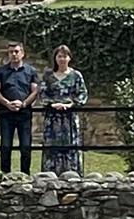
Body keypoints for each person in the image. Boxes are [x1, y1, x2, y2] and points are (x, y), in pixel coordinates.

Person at [0, 41, 41, 174]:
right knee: (5, 146)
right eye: (11, 52)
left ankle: (25, 175)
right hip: (6, 114)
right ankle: (5, 175)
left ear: (22, 53)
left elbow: (35, 91)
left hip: (24, 113)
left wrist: (24, 103)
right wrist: (6, 103)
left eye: (16, 51)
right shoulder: (1, 71)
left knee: (25, 146)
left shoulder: (30, 71)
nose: (14, 54)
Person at [40, 47, 88, 175]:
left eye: (65, 56)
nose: (62, 59)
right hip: (53, 117)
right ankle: (50, 173)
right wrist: (53, 104)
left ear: (69, 58)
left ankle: (72, 172)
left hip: (69, 117)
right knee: (51, 146)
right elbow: (43, 95)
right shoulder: (48, 76)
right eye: (59, 56)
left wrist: (71, 104)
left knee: (71, 144)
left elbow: (82, 94)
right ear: (55, 58)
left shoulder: (76, 75)